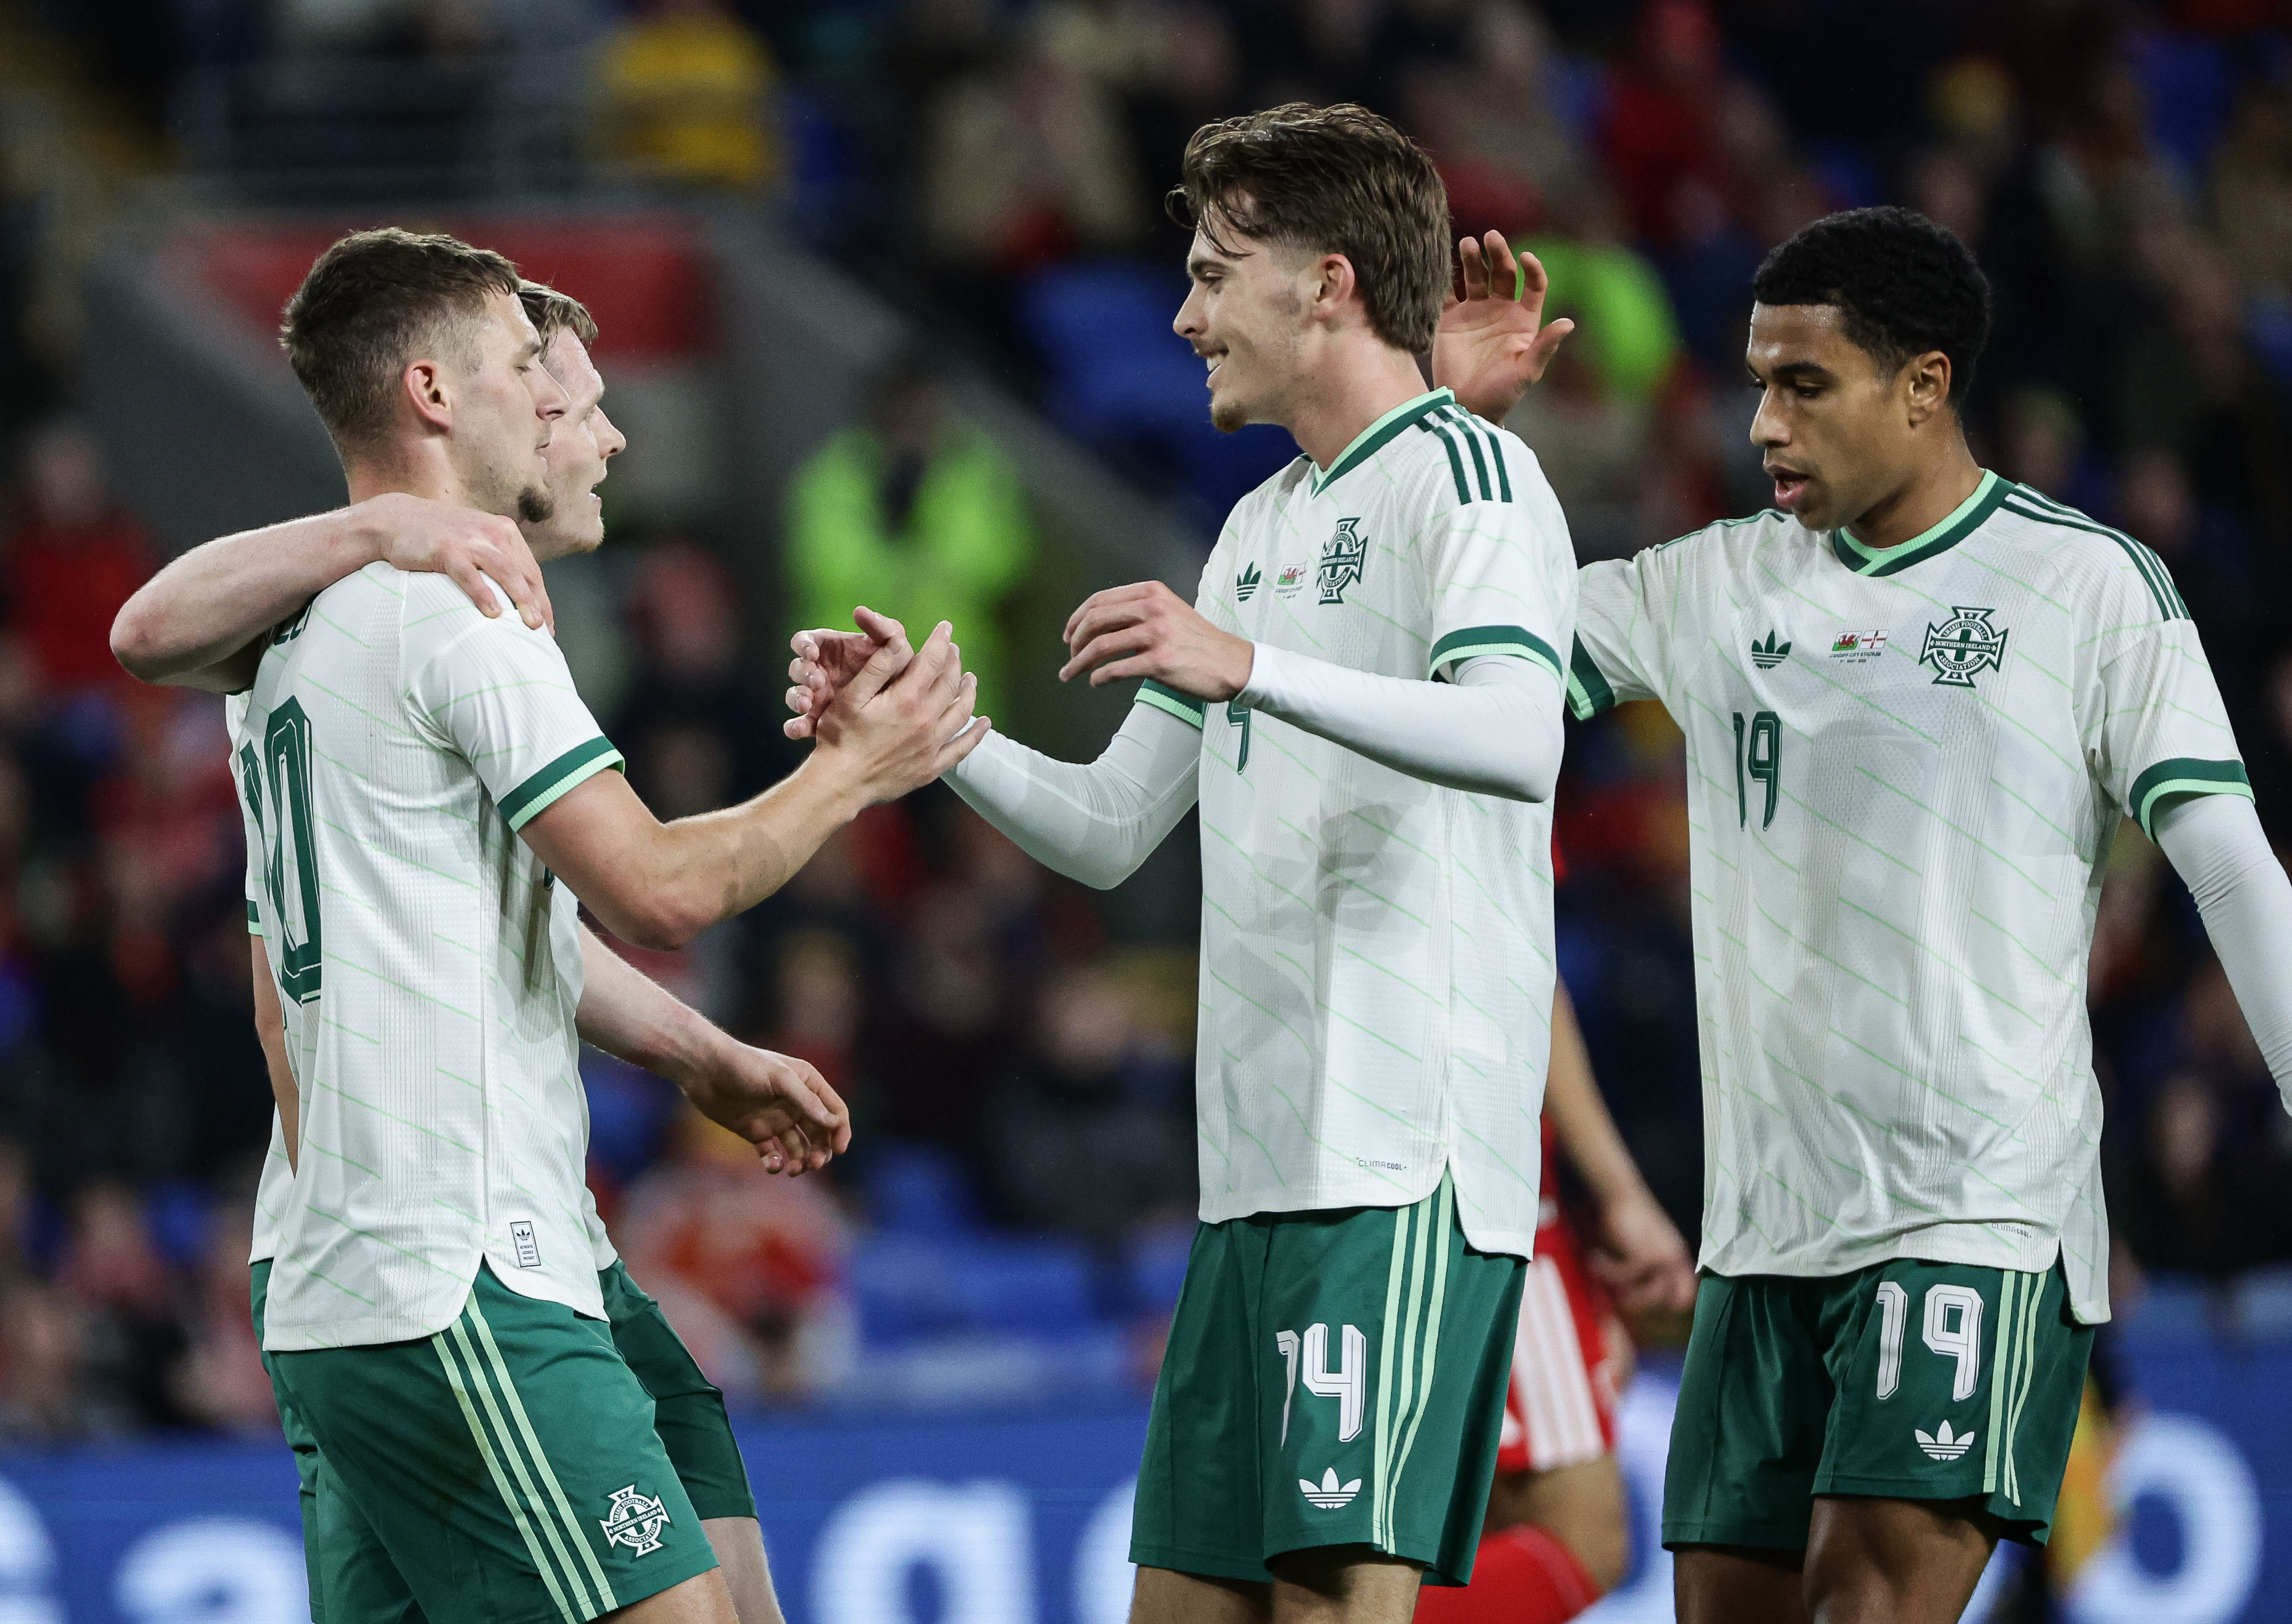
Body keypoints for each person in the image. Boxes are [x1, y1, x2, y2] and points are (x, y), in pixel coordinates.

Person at [1434, 209, 2292, 1623]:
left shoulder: (2084, 589)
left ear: (1924, 386)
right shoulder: (1712, 584)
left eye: (1803, 384)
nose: (1763, 420)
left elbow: (2232, 870)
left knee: (1870, 1604)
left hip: (1975, 1208)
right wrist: (1449, 450)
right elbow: (1449, 663)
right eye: (1758, 382)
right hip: (1764, 1233)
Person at [115, 227, 981, 1624]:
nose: (595, 417)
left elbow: (484, 918)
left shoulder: (304, 617)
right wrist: (858, 771)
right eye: (538, 371)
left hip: (465, 1257)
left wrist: (700, 1049)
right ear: (440, 394)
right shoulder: (451, 613)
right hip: (444, 1267)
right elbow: (660, 889)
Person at [790, 104, 1579, 1624]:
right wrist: (941, 739)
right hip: (1256, 1174)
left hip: (1394, 1162)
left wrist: (1251, 667)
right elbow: (1106, 828)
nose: (1184, 311)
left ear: (1327, 286)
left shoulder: (1470, 483)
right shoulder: (1258, 528)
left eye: (1219, 272)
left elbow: (1517, 736)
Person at [1416, 983, 1697, 1624]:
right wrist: (1621, 1192)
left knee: (1462, 1541)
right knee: (1583, 1540)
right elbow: (1523, 972)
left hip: (1406, 1199)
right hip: (1487, 1207)